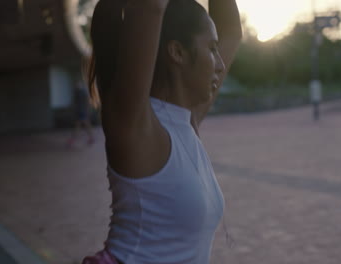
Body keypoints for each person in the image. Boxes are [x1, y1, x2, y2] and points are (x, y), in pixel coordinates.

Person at [82, 0, 242, 263]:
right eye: (212, 49)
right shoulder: (135, 126)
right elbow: (149, 7)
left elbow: (232, 32)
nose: (221, 65)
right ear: (177, 52)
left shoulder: (185, 121)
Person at [67, 79, 95, 147]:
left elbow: (85, 102)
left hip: (81, 111)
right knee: (84, 125)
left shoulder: (81, 92)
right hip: (81, 111)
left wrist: (87, 110)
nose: (76, 85)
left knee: (79, 126)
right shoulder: (79, 92)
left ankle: (72, 140)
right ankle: (91, 138)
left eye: (77, 83)